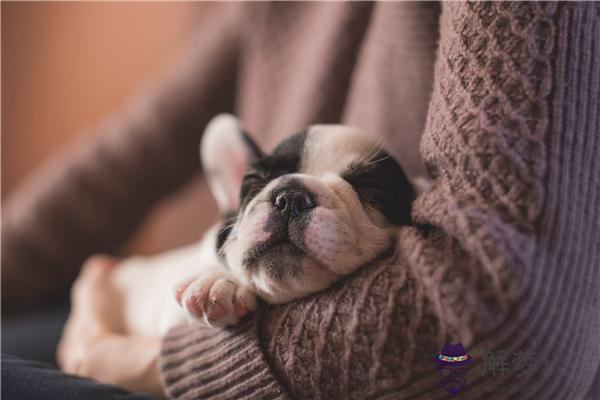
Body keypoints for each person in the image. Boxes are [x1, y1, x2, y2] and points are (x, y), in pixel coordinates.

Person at [2, 2, 599, 399]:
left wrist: (129, 358)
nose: (288, 201)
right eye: (265, 185)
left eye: (364, 191)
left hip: (314, 363)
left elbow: (496, 344)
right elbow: (118, 162)